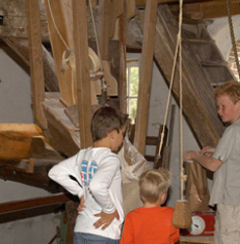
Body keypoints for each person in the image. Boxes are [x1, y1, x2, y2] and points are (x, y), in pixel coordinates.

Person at [48, 106, 128, 244]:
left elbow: (55, 172)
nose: (123, 139)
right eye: (123, 134)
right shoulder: (111, 159)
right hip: (104, 232)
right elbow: (96, 185)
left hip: (82, 229)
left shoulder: (83, 155)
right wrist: (109, 210)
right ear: (113, 134)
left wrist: (80, 193)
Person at [184, 81, 240, 244]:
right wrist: (217, 150)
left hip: (231, 203)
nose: (219, 111)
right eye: (218, 107)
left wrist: (195, 156)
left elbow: (214, 165)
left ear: (238, 104)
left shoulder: (232, 131)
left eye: (223, 106)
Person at [120, 168, 179, 244]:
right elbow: (175, 237)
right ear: (163, 196)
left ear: (141, 194)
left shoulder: (131, 216)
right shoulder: (171, 213)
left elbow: (126, 242)